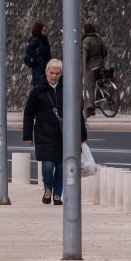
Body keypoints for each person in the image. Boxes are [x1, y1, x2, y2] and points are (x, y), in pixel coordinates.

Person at [22, 58, 87, 205]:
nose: (54, 76)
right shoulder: (37, 91)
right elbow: (28, 114)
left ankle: (58, 194)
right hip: (44, 134)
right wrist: (27, 135)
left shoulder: (68, 90)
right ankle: (48, 187)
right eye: (51, 73)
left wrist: (81, 136)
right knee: (48, 165)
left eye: (57, 73)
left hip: (64, 135)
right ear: (46, 72)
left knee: (61, 166)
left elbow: (78, 114)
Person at [82, 23, 110, 117]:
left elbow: (85, 54)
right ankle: (99, 97)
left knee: (90, 87)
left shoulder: (86, 40)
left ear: (86, 30)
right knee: (97, 83)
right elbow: (105, 51)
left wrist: (83, 64)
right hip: (100, 65)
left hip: (91, 66)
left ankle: (90, 107)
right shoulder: (99, 39)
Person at [22, 21, 52, 85]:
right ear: (39, 31)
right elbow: (28, 49)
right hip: (39, 69)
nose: (46, 32)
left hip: (44, 68)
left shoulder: (43, 40)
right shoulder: (36, 39)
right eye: (44, 30)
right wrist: (37, 56)